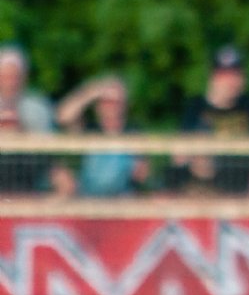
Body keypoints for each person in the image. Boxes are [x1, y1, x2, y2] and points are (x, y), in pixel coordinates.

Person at [173, 45, 249, 195]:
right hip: (204, 187)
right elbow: (179, 157)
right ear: (213, 78)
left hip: (246, 187)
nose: (231, 81)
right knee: (199, 145)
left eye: (236, 75)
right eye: (225, 75)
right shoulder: (196, 108)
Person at [55, 74, 147, 196]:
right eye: (106, 101)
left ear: (124, 105)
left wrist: (139, 169)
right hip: (88, 199)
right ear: (98, 105)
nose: (111, 106)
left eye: (115, 102)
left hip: (123, 200)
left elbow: (142, 174)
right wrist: (91, 93)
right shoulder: (90, 130)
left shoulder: (133, 133)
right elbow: (63, 117)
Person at [0, 44, 58, 193]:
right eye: (5, 76)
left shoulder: (38, 106)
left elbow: (47, 147)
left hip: (29, 170)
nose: (10, 82)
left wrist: (20, 132)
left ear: (23, 77)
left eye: (14, 77)